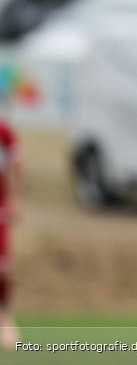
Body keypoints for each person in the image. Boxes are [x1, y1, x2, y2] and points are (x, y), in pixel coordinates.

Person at [0, 117, 23, 350]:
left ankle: (5, 317)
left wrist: (15, 198)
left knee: (4, 268)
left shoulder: (4, 130)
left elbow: (16, 164)